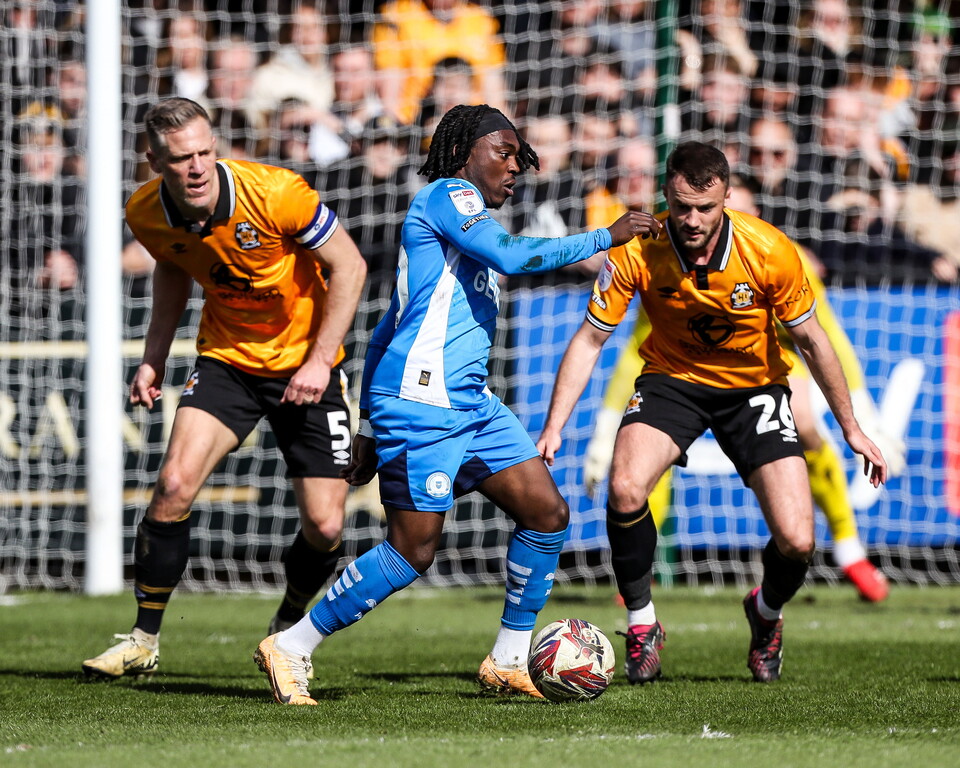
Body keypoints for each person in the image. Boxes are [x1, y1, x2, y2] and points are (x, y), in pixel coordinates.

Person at [252, 103, 661, 705]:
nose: (515, 166)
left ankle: (509, 658)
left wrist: (368, 420)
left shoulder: (458, 234)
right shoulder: (449, 196)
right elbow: (517, 257)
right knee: (414, 549)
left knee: (547, 513)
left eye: (521, 156)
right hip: (423, 402)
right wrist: (607, 235)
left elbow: (392, 322)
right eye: (503, 152)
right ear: (464, 152)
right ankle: (292, 644)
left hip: (467, 403)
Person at [537, 141, 886, 685]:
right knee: (625, 487)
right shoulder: (636, 248)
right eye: (681, 207)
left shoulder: (769, 251)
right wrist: (555, 425)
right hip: (672, 383)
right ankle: (642, 623)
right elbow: (589, 341)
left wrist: (853, 429)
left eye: (706, 208)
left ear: (726, 197)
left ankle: (765, 612)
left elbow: (816, 342)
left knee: (796, 540)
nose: (693, 220)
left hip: (754, 389)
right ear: (666, 197)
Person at [81, 97, 367, 679]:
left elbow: (351, 267)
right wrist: (152, 359)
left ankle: (286, 627)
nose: (196, 167)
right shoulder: (144, 212)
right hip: (227, 361)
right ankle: (143, 639)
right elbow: (171, 266)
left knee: (327, 525)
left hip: (305, 368)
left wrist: (317, 362)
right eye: (181, 158)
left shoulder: (277, 194)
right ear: (154, 161)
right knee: (174, 484)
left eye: (204, 152)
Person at [583, 176, 905, 603]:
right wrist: (607, 428)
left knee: (805, 425)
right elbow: (632, 353)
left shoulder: (778, 256)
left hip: (767, 363)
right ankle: (643, 573)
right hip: (688, 372)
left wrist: (866, 419)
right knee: (646, 450)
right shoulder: (663, 262)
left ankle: (849, 550)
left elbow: (827, 340)